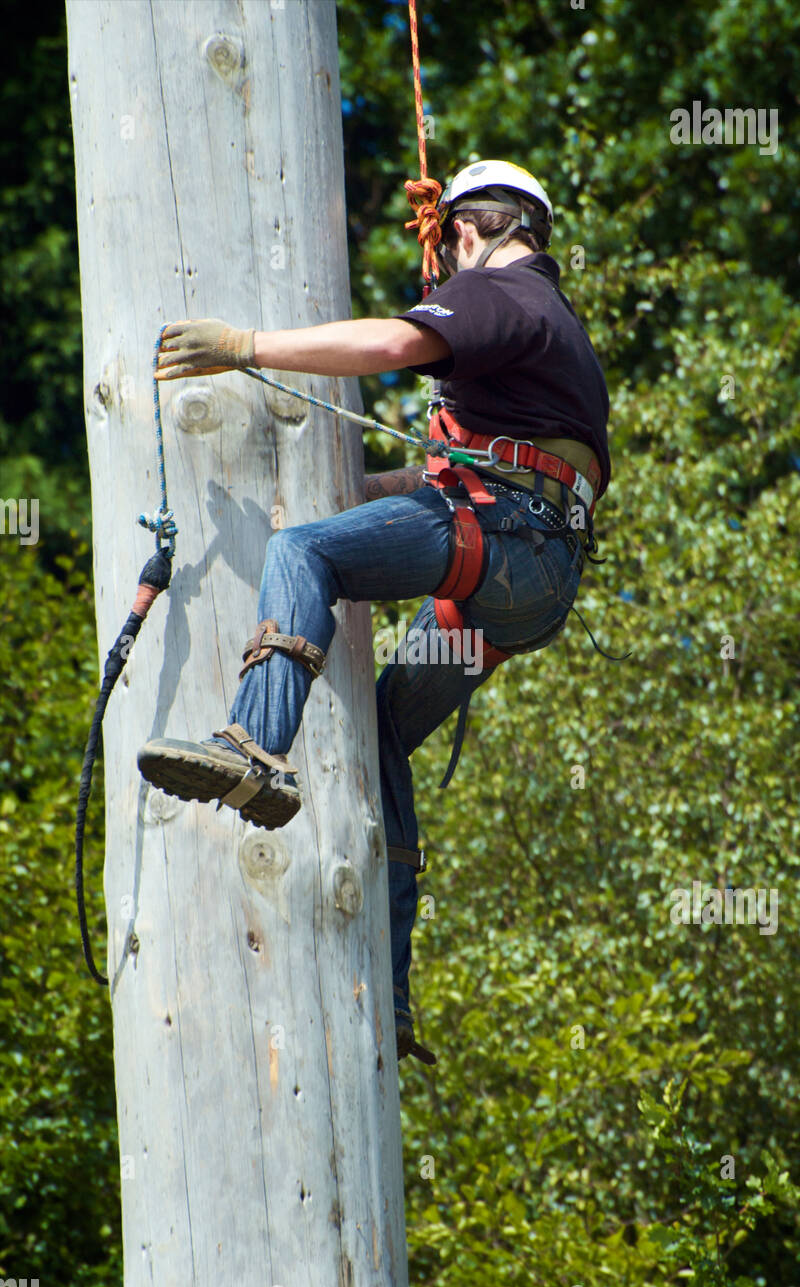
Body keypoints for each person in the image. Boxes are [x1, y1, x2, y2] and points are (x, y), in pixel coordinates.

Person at [138, 160, 611, 1066]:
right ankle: (390, 987)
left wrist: (244, 343)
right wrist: (346, 489)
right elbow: (452, 477)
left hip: (500, 543)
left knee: (302, 552)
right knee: (383, 730)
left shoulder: (504, 294)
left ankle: (253, 748)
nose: (446, 259)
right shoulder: (557, 332)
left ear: (476, 228)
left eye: (450, 241)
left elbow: (393, 345)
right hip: (528, 581)